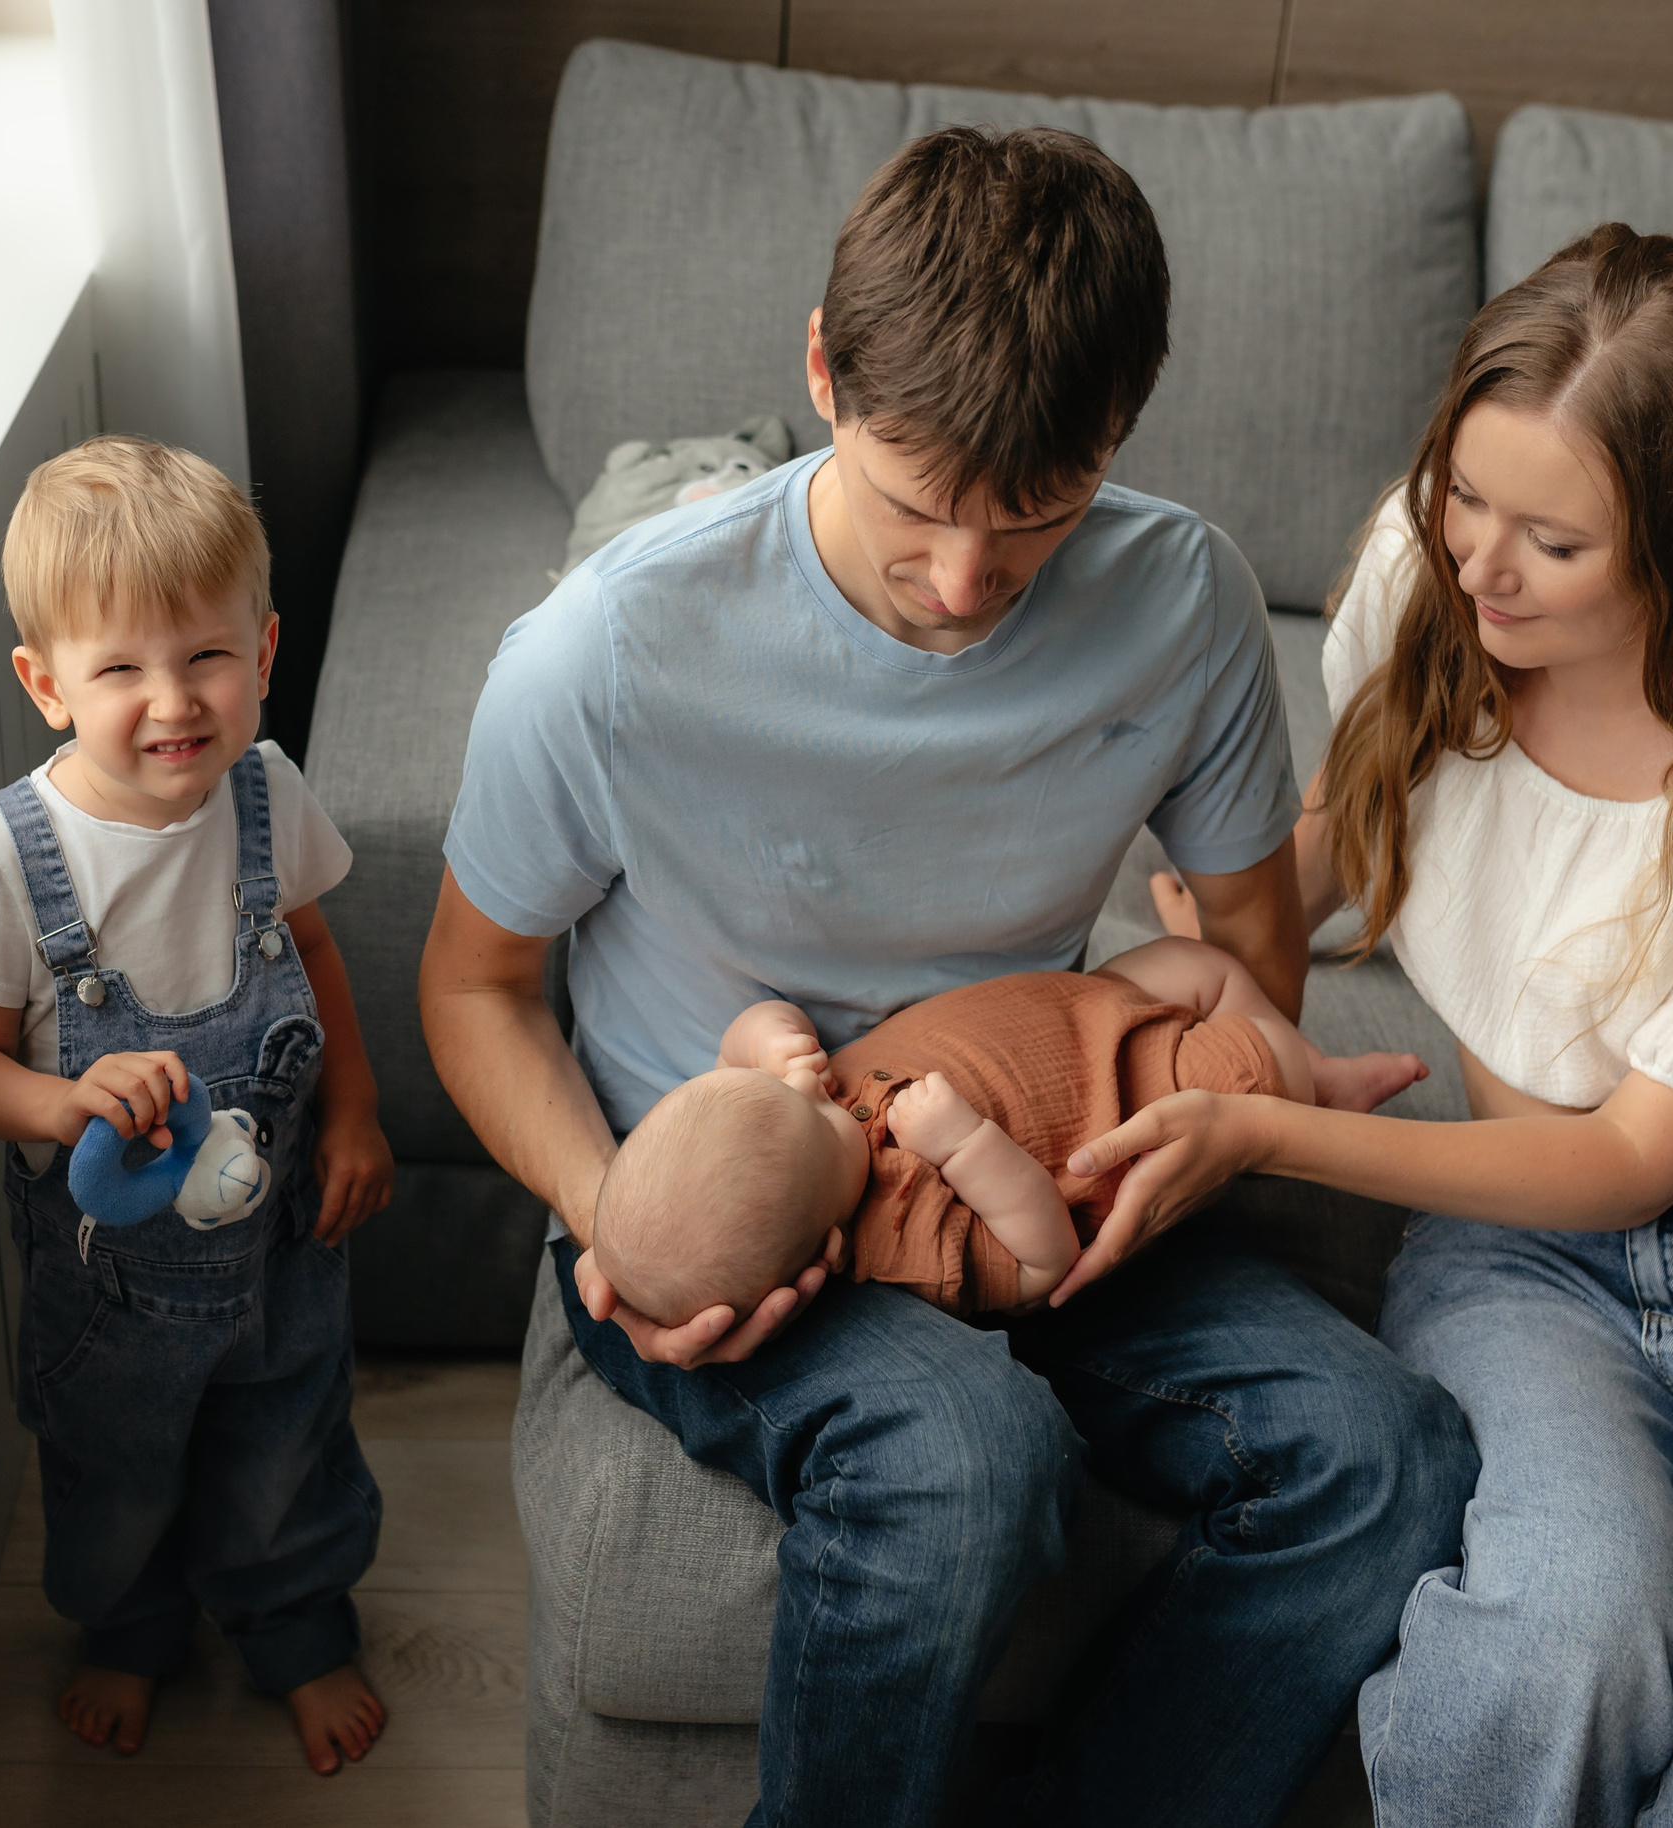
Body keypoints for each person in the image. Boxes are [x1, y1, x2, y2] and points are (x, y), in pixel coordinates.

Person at [421, 125, 1477, 1826]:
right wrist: (621, 1211)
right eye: (919, 510)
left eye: (1037, 518)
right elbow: (473, 990)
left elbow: (1255, 948)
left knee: (1391, 1457)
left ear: (1118, 427)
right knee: (973, 1464)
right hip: (745, 1209)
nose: (969, 582)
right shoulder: (607, 651)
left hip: (1034, 1166)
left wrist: (1198, 1093)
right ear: (823, 371)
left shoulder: (1186, 598)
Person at [1114, 225, 1673, 1823]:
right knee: (1556, 1643)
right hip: (1522, 1256)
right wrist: (1197, 933)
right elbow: (1352, 817)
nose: (1477, 564)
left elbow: (1629, 1162)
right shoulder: (1433, 576)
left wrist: (1260, 1127)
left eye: (1554, 540)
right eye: (1465, 495)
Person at [0, 437, 397, 1775]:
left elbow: (320, 954)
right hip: (110, 1283)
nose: (173, 702)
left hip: (280, 1241)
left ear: (266, 650)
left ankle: (294, 1628)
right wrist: (64, 1103)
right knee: (115, 1468)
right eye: (120, 668)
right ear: (46, 684)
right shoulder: (13, 857)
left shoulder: (264, 796)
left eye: (206, 658)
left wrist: (353, 1109)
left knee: (285, 1443)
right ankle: (129, 1630)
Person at [592, 936, 1426, 1323]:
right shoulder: (909, 1245)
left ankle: (1313, 1069)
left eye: (797, 1091)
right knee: (1263, 1056)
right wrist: (963, 1147)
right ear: (826, 1252)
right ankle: (1318, 1084)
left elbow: (750, 1038)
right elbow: (1043, 1261)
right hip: (1139, 1100)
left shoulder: (782, 1103)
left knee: (1189, 962)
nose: (823, 1092)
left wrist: (765, 1041)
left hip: (1084, 1011)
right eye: (821, 1116)